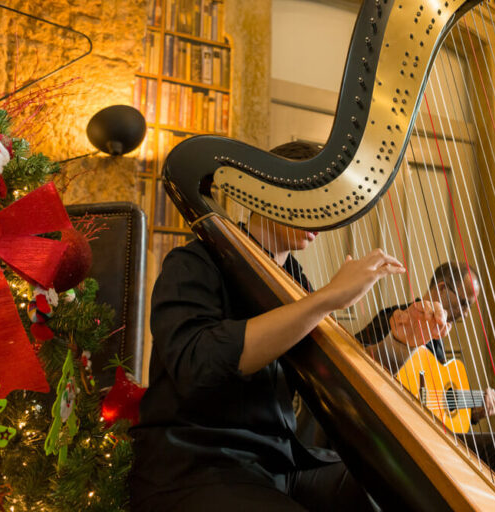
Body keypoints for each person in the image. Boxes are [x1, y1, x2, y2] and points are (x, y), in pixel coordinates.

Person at [129, 141, 405, 511]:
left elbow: (328, 370)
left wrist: (400, 343)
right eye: (316, 201)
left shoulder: (296, 280)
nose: (323, 219)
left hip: (280, 462)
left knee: (388, 487)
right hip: (198, 465)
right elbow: (198, 365)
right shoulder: (194, 262)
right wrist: (327, 298)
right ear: (272, 193)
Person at [355, 262, 495, 511]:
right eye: (465, 302)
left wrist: (474, 411)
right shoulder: (395, 319)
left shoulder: (439, 338)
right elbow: (358, 356)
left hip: (437, 435)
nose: (467, 313)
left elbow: (438, 402)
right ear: (442, 288)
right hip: (403, 436)